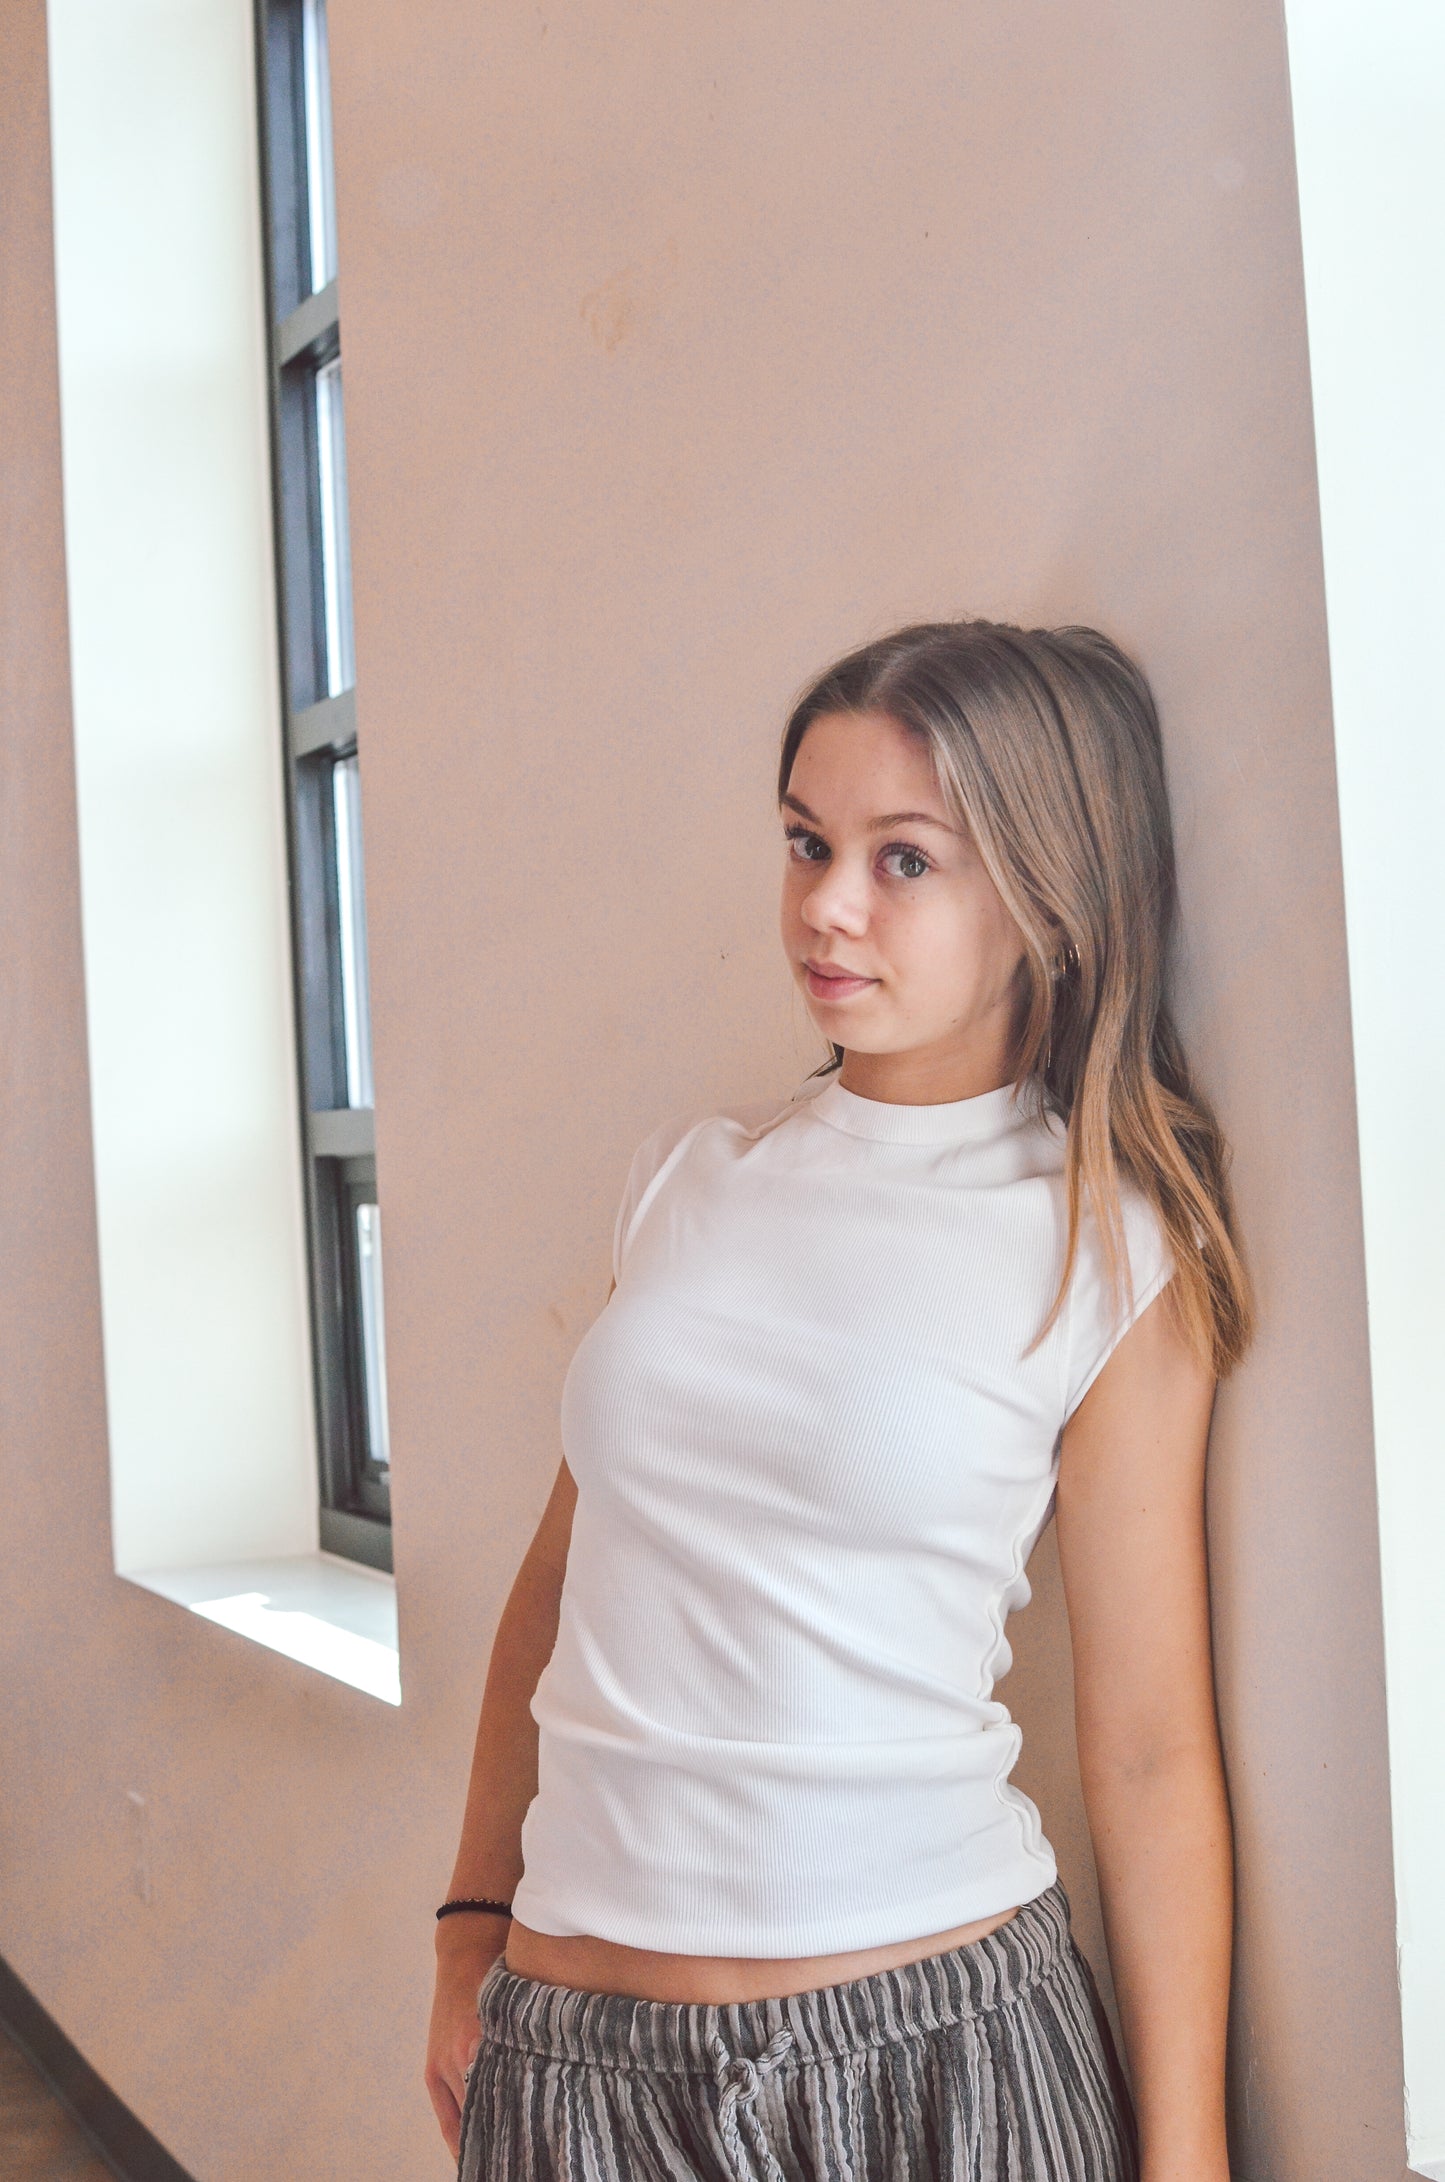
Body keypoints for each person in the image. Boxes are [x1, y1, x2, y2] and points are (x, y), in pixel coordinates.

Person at [425, 618, 1251, 2182]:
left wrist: (1188, 2150)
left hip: (936, 2054)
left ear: (1045, 891)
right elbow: (560, 1586)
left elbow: (1146, 1748)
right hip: (575, 2061)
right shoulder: (688, 1179)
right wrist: (467, 1927)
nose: (825, 904)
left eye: (903, 860)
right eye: (806, 842)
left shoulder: (1110, 1244)